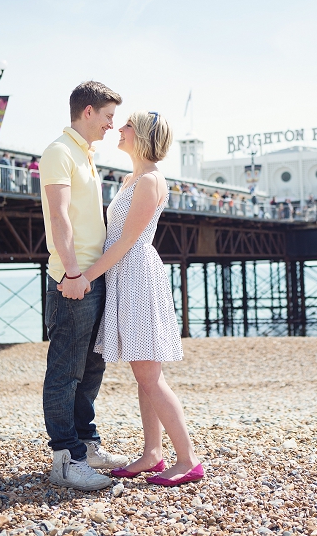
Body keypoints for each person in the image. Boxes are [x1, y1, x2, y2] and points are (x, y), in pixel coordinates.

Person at [81, 110, 203, 486]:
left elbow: (125, 243)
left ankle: (187, 460)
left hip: (136, 276)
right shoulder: (135, 177)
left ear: (144, 135)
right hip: (129, 275)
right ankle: (153, 453)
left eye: (128, 125)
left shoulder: (149, 180)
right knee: (145, 374)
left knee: (149, 374)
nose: (120, 128)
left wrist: (86, 276)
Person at [39, 81, 127, 491]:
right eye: (108, 116)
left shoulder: (84, 154)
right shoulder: (59, 151)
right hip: (74, 279)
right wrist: (72, 272)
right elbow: (60, 217)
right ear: (87, 111)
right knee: (66, 371)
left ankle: (86, 444)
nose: (112, 125)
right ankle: (65, 459)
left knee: (92, 366)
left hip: (94, 276)